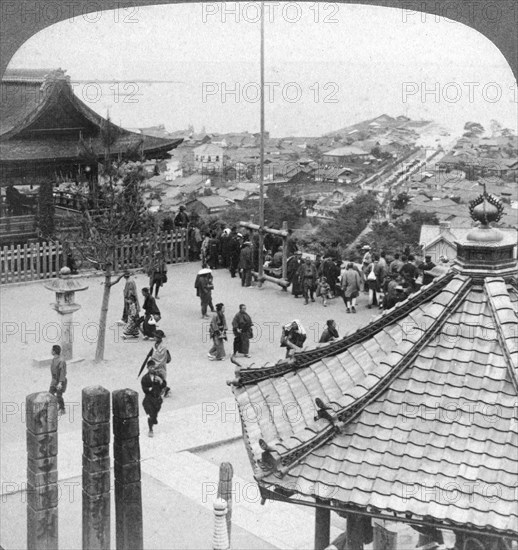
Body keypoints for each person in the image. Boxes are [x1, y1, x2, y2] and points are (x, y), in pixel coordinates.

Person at [141, 359, 166, 437]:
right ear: (147, 368)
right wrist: (150, 389)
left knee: (155, 413)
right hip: (149, 399)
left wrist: (161, 381)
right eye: (150, 367)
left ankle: (154, 417)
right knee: (150, 414)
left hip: (157, 399)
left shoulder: (159, 376)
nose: (152, 369)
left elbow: (164, 385)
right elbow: (144, 389)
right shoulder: (145, 378)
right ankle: (150, 429)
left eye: (153, 367)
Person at [149, 330, 171, 397]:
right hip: (154, 364)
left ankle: (165, 389)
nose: (154, 337)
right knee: (154, 378)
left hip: (160, 365)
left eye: (155, 336)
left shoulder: (163, 347)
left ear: (159, 338)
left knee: (160, 378)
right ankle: (160, 389)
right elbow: (154, 354)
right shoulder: (154, 344)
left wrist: (155, 365)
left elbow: (162, 358)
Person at [49, 345, 67, 415]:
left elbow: (63, 372)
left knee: (59, 396)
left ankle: (62, 409)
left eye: (52, 350)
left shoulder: (61, 361)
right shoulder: (53, 359)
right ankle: (54, 408)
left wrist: (60, 383)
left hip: (60, 381)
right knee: (50, 394)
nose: (51, 351)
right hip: (54, 381)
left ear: (54, 351)